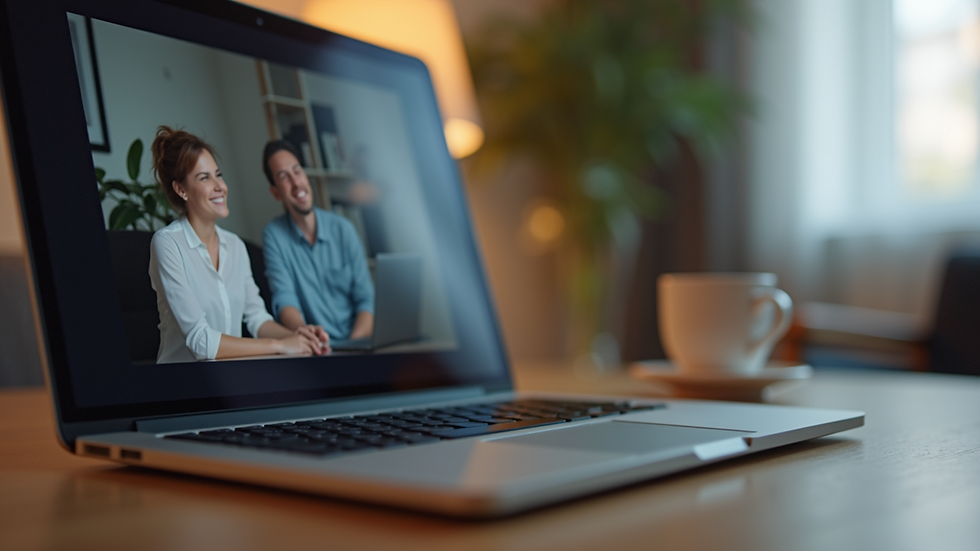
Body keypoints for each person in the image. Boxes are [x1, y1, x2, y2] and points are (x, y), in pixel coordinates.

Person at [148, 127, 329, 363]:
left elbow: (256, 318)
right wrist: (280, 345)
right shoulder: (168, 244)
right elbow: (200, 341)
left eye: (218, 175)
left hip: (231, 380)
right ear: (181, 189)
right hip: (185, 386)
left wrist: (299, 336)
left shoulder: (235, 246)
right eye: (204, 178)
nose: (219, 186)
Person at [261, 140, 374, 341]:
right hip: (319, 347)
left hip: (359, 340)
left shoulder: (343, 229)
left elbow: (366, 300)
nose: (296, 183)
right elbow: (285, 300)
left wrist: (355, 346)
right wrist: (309, 336)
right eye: (284, 177)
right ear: (275, 192)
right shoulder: (274, 236)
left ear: (305, 175)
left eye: (297, 171)